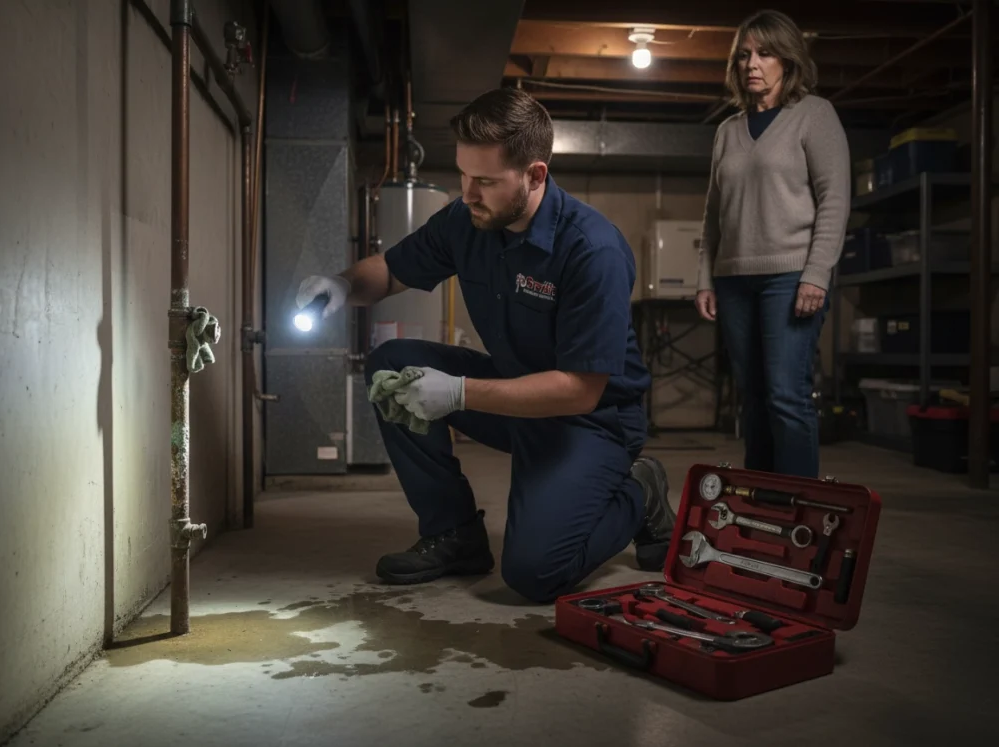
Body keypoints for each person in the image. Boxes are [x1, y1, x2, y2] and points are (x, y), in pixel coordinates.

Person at [296, 88, 675, 603]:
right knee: (394, 365)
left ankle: (640, 490)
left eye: (486, 181)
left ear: (535, 175)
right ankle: (455, 535)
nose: (468, 192)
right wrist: (340, 285)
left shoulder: (592, 249)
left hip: (591, 423)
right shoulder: (468, 220)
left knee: (535, 572)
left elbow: (581, 390)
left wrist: (458, 393)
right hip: (519, 400)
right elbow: (389, 271)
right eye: (463, 175)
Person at [696, 9, 850, 478]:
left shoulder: (814, 116)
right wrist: (706, 279)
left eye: (764, 53)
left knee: (786, 395)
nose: (752, 64)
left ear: (788, 59)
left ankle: (798, 506)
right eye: (744, 55)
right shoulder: (727, 131)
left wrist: (816, 274)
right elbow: (713, 214)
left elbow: (835, 200)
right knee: (754, 398)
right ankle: (760, 502)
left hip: (790, 277)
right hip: (734, 280)